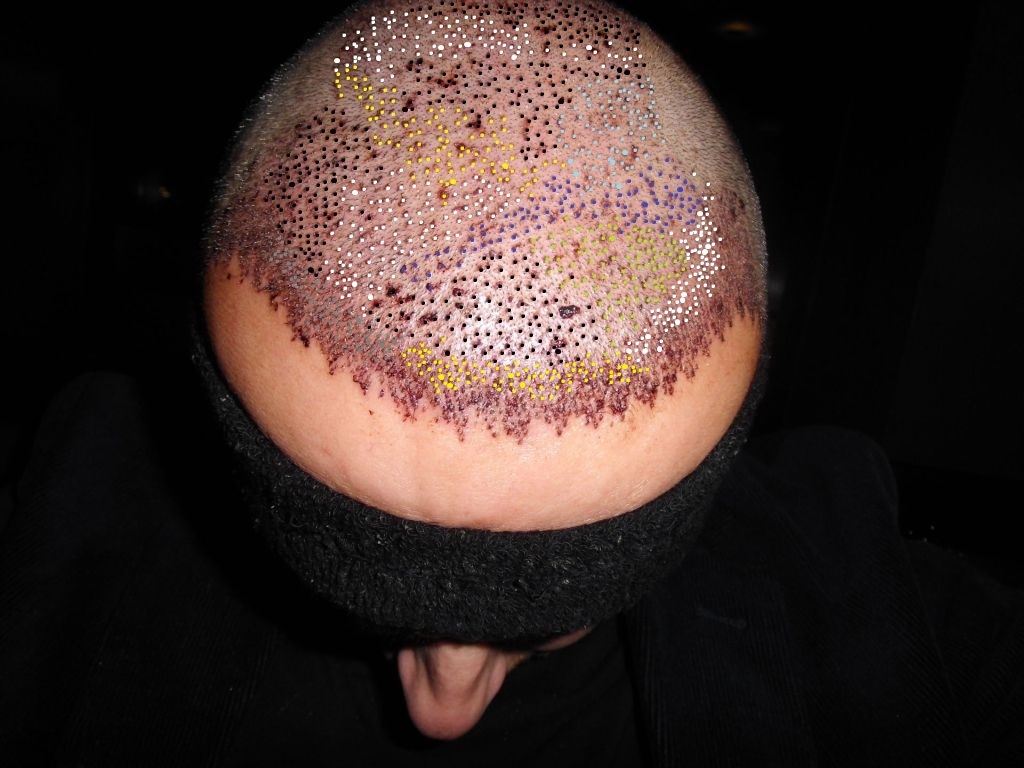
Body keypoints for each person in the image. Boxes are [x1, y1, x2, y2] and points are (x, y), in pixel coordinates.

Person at [1, 0, 1021, 765]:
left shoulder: (912, 655)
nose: (442, 708)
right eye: (351, 577)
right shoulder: (52, 534)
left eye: (551, 604)